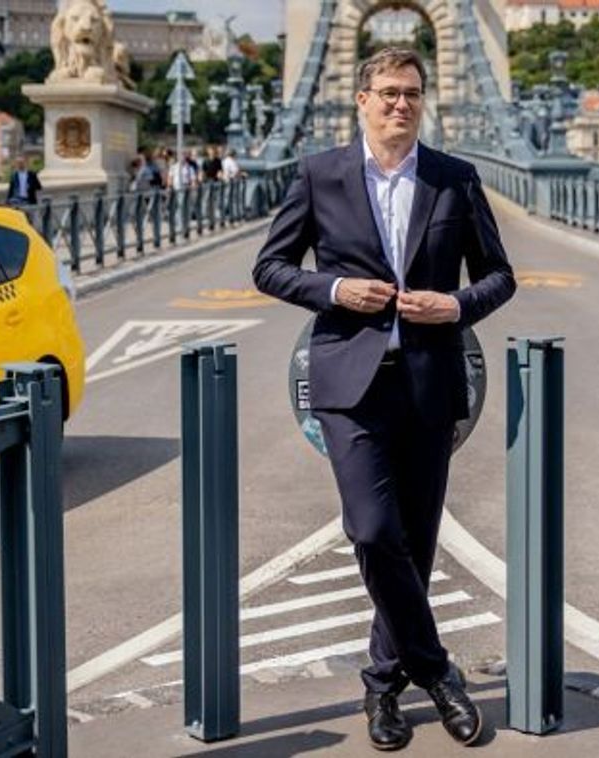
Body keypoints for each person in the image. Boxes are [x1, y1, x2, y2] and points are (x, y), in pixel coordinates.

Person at [252, 47, 514, 751]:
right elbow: (269, 267)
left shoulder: (454, 179)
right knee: (371, 531)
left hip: (428, 383)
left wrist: (454, 306)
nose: (401, 104)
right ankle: (437, 673)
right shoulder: (319, 175)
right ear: (361, 100)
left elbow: (499, 277)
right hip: (349, 385)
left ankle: (381, 686)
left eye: (412, 94)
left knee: (414, 546)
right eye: (389, 93)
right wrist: (333, 290)